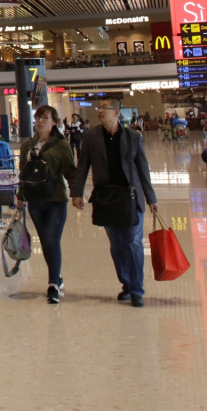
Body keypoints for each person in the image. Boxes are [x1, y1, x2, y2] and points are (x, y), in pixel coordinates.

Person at [70, 98, 159, 307]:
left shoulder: (133, 137)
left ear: (117, 113)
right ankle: (126, 284)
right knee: (117, 246)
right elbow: (82, 166)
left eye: (104, 108)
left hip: (131, 198)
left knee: (133, 243)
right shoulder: (91, 136)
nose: (99, 111)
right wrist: (77, 192)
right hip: (107, 199)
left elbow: (143, 169)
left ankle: (137, 290)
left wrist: (151, 198)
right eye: (98, 108)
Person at [18, 105, 77, 304]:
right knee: (45, 242)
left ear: (54, 122)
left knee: (52, 240)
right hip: (34, 201)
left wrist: (77, 193)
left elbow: (70, 171)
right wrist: (20, 195)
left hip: (56, 200)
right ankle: (57, 278)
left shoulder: (61, 145)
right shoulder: (28, 145)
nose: (40, 121)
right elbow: (23, 173)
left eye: (45, 117)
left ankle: (52, 284)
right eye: (38, 118)